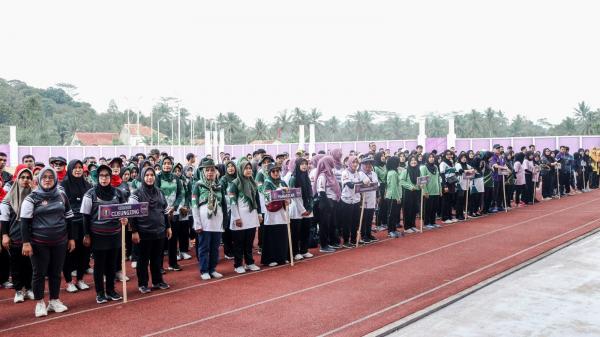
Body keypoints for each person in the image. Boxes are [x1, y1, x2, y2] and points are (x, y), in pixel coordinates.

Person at [20, 167, 75, 317]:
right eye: (45, 177)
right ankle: (39, 303)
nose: (48, 179)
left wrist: (71, 238)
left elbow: (69, 218)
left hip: (60, 242)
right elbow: (24, 223)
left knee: (56, 273)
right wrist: (26, 243)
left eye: (51, 177)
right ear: (39, 179)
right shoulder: (31, 198)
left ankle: (54, 300)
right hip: (39, 243)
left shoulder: (62, 195)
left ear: (55, 179)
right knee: (39, 273)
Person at [80, 165, 127, 303]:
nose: (104, 178)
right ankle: (100, 293)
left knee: (112, 265)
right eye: (101, 176)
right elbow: (85, 216)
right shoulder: (90, 194)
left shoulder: (118, 193)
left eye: (107, 176)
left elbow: (124, 210)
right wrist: (86, 235)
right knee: (99, 265)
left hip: (115, 234)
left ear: (111, 177)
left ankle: (111, 290)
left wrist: (124, 219)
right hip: (98, 235)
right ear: (97, 177)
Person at [129, 167, 172, 293]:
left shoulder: (160, 192)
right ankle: (142, 284)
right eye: (147, 175)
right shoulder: (136, 194)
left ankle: (157, 281)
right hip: (143, 233)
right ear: (143, 177)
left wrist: (168, 227)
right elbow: (131, 215)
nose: (149, 177)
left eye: (152, 175)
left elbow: (164, 211)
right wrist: (135, 231)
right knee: (142, 260)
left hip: (159, 231)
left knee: (157, 258)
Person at [1, 165, 35, 303]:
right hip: (15, 237)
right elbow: (3, 219)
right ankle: (19, 290)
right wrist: (4, 235)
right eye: (23, 177)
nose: (25, 180)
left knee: (31, 266)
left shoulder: (35, 195)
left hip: (33, 237)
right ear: (17, 179)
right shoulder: (8, 198)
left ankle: (30, 288)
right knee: (16, 266)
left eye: (28, 177)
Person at [61, 159, 92, 293]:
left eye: (80, 167)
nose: (78, 170)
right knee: (69, 253)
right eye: (75, 167)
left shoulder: (88, 185)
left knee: (83, 253)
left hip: (85, 222)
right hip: (70, 223)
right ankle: (69, 282)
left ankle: (80, 279)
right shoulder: (64, 185)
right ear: (70, 169)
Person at [192, 158, 225, 280]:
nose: (210, 173)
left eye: (212, 170)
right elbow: (194, 205)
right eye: (207, 170)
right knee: (204, 247)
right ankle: (204, 270)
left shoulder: (219, 186)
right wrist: (197, 223)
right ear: (203, 172)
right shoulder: (198, 185)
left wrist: (224, 222)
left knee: (215, 248)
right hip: (204, 223)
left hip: (217, 222)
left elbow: (223, 205)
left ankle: (212, 269)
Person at [156, 156, 183, 272]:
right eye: (165, 163)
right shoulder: (157, 178)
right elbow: (156, 194)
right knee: (161, 241)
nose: (167, 165)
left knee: (173, 239)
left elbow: (180, 194)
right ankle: (159, 266)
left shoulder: (176, 178)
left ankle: (173, 263)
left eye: (169, 163)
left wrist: (174, 207)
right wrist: (166, 208)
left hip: (174, 212)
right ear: (161, 165)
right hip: (161, 214)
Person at [261, 164, 290, 266]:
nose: (276, 173)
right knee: (272, 236)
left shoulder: (283, 182)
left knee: (282, 235)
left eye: (278, 171)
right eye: (273, 171)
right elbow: (267, 198)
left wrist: (287, 200)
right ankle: (270, 259)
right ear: (269, 173)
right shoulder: (267, 183)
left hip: (282, 213)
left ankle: (282, 257)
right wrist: (278, 192)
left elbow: (288, 196)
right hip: (272, 214)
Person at [288, 157, 315, 258]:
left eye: (306, 164)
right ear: (297, 166)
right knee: (296, 232)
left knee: (306, 230)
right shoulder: (293, 178)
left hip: (307, 208)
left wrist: (310, 207)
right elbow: (294, 196)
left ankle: (304, 250)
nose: (304, 166)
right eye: (302, 164)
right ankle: (295, 252)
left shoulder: (306, 177)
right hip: (297, 209)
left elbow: (310, 193)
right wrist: (303, 210)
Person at [313, 156, 340, 252]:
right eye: (330, 161)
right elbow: (321, 191)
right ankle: (324, 245)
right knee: (324, 225)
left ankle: (331, 242)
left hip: (332, 201)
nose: (333, 162)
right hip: (325, 202)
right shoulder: (322, 176)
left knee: (332, 223)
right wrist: (327, 204)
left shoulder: (330, 174)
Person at [339, 156, 362, 247]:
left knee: (355, 221)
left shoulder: (357, 173)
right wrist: (360, 183)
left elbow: (360, 185)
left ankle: (353, 239)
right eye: (353, 162)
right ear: (349, 163)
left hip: (356, 200)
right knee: (346, 222)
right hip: (346, 200)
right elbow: (350, 185)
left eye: (356, 162)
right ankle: (345, 241)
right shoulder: (345, 172)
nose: (355, 164)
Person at [219, 160, 237, 260]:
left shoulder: (238, 178)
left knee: (235, 230)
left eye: (232, 166)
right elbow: (222, 195)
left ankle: (234, 249)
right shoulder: (223, 179)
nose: (231, 168)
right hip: (227, 208)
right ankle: (228, 251)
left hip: (237, 207)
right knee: (227, 230)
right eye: (228, 166)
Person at [358, 157, 379, 243]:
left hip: (372, 198)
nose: (368, 166)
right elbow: (363, 183)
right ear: (362, 165)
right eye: (366, 164)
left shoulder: (373, 173)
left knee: (370, 217)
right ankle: (363, 235)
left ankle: (369, 233)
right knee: (364, 218)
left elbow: (376, 184)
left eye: (370, 164)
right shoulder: (360, 173)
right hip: (364, 198)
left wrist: (378, 196)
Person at [420, 153, 441, 228]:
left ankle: (433, 222)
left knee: (434, 208)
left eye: (433, 157)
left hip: (436, 191)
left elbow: (438, 179)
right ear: (426, 158)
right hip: (428, 192)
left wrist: (440, 190)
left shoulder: (435, 167)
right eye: (430, 157)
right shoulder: (423, 167)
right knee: (427, 209)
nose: (432, 158)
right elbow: (423, 181)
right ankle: (426, 223)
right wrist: (425, 191)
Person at [400, 156, 420, 233]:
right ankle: (407, 227)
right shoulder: (406, 171)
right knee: (408, 209)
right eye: (412, 160)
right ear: (408, 162)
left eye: (415, 160)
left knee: (414, 209)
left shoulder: (418, 170)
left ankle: (412, 225)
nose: (413, 161)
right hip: (408, 192)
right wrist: (410, 186)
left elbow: (420, 180)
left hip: (416, 191)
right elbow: (401, 181)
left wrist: (421, 185)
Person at [385, 156, 403, 238]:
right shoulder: (393, 173)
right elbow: (393, 187)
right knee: (391, 214)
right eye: (397, 162)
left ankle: (394, 229)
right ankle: (390, 231)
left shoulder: (393, 172)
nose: (399, 163)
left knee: (394, 214)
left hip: (394, 196)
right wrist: (398, 197)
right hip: (392, 196)